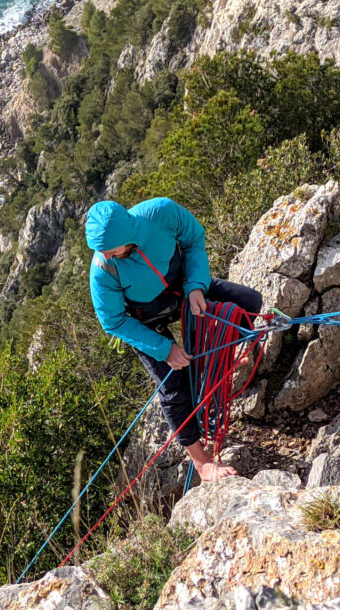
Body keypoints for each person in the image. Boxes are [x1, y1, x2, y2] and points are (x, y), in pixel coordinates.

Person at [85, 197, 262, 481]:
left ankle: (225, 359)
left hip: (181, 287)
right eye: (100, 251)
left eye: (110, 249)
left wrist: (195, 286)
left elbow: (193, 239)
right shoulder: (103, 269)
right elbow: (114, 321)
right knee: (172, 385)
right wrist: (164, 349)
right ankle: (202, 463)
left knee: (248, 302)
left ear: (127, 235)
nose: (104, 255)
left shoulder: (161, 213)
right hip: (146, 316)